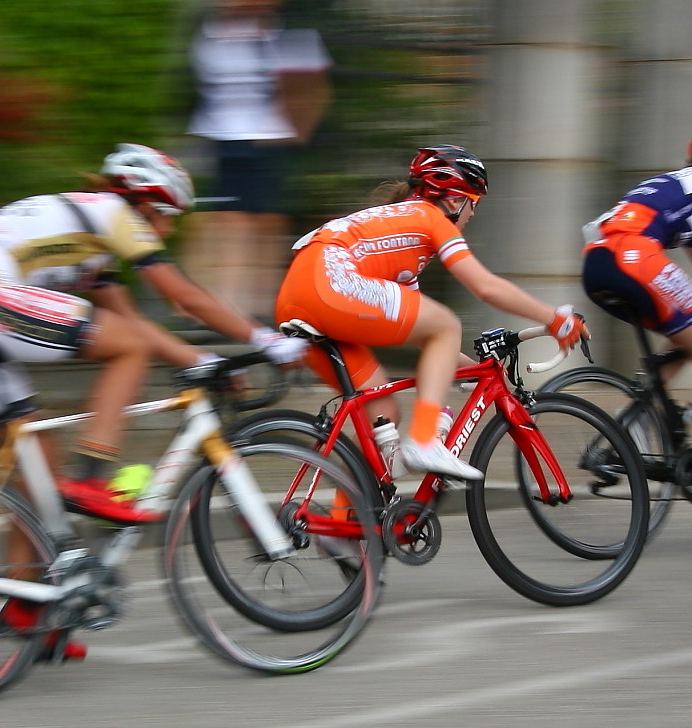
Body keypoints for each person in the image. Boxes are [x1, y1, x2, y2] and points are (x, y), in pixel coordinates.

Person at [0, 143, 306, 522]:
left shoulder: (90, 237)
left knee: (38, 462)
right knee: (127, 348)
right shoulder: (114, 212)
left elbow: (134, 323)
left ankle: (30, 583)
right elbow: (184, 298)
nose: (168, 230)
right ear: (145, 205)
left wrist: (205, 362)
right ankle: (91, 476)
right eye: (169, 216)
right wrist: (266, 340)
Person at [274, 144, 589, 480]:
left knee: (383, 414)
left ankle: (344, 524)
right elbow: (486, 287)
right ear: (454, 199)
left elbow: (424, 335)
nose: (473, 213)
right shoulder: (430, 217)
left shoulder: (401, 235)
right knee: (447, 323)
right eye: (474, 202)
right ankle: (425, 439)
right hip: (331, 283)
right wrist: (555, 319)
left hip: (297, 295)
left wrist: (474, 370)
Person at [182, 0, 333, 318]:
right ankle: (226, 306)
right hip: (223, 139)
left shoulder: (287, 33)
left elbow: (311, 87)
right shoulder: (209, 31)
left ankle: (254, 307)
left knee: (264, 222)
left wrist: (297, 128)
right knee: (230, 220)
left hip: (267, 140)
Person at [581, 141, 692, 385]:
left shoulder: (674, 183)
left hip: (597, 263)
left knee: (684, 331)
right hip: (632, 257)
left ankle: (643, 407)